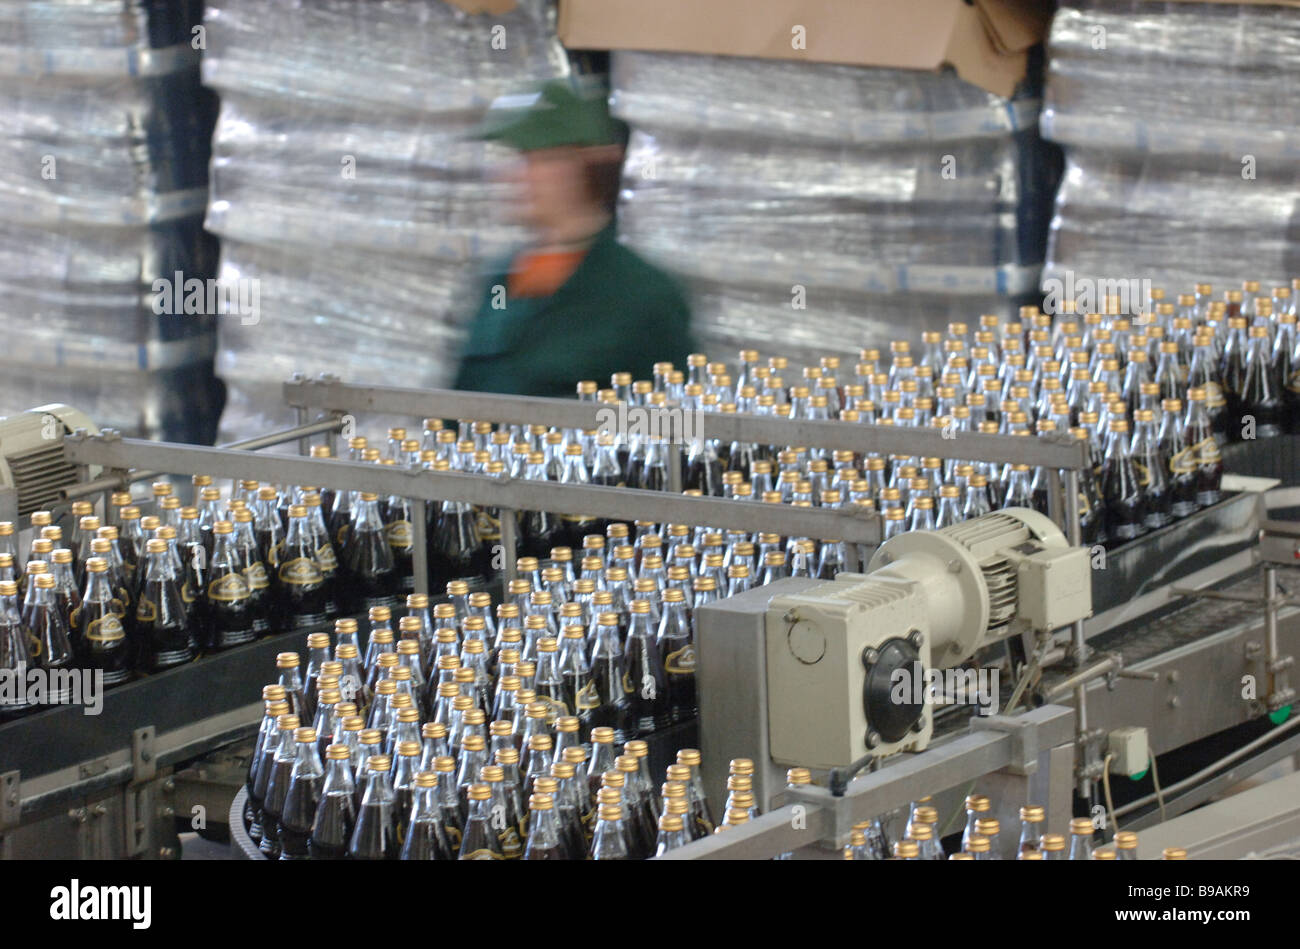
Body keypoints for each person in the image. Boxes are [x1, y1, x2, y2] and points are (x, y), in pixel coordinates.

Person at [452, 80, 695, 398]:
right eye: (514, 157)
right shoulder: (502, 280)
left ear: (586, 166)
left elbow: (671, 429)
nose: (513, 173)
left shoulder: (641, 295)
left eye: (537, 158)